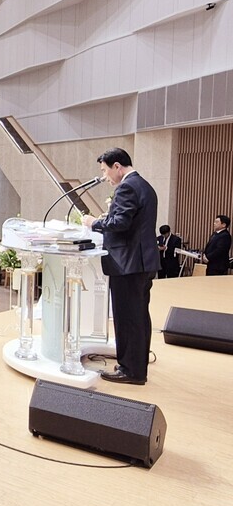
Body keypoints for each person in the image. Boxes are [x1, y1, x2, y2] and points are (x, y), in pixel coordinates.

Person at [82, 148, 158, 386]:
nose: (105, 176)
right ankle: (137, 363)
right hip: (141, 262)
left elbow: (121, 223)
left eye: (105, 170)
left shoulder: (126, 187)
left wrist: (94, 222)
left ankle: (132, 371)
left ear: (117, 166)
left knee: (128, 318)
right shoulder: (144, 185)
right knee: (139, 317)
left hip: (128, 263)